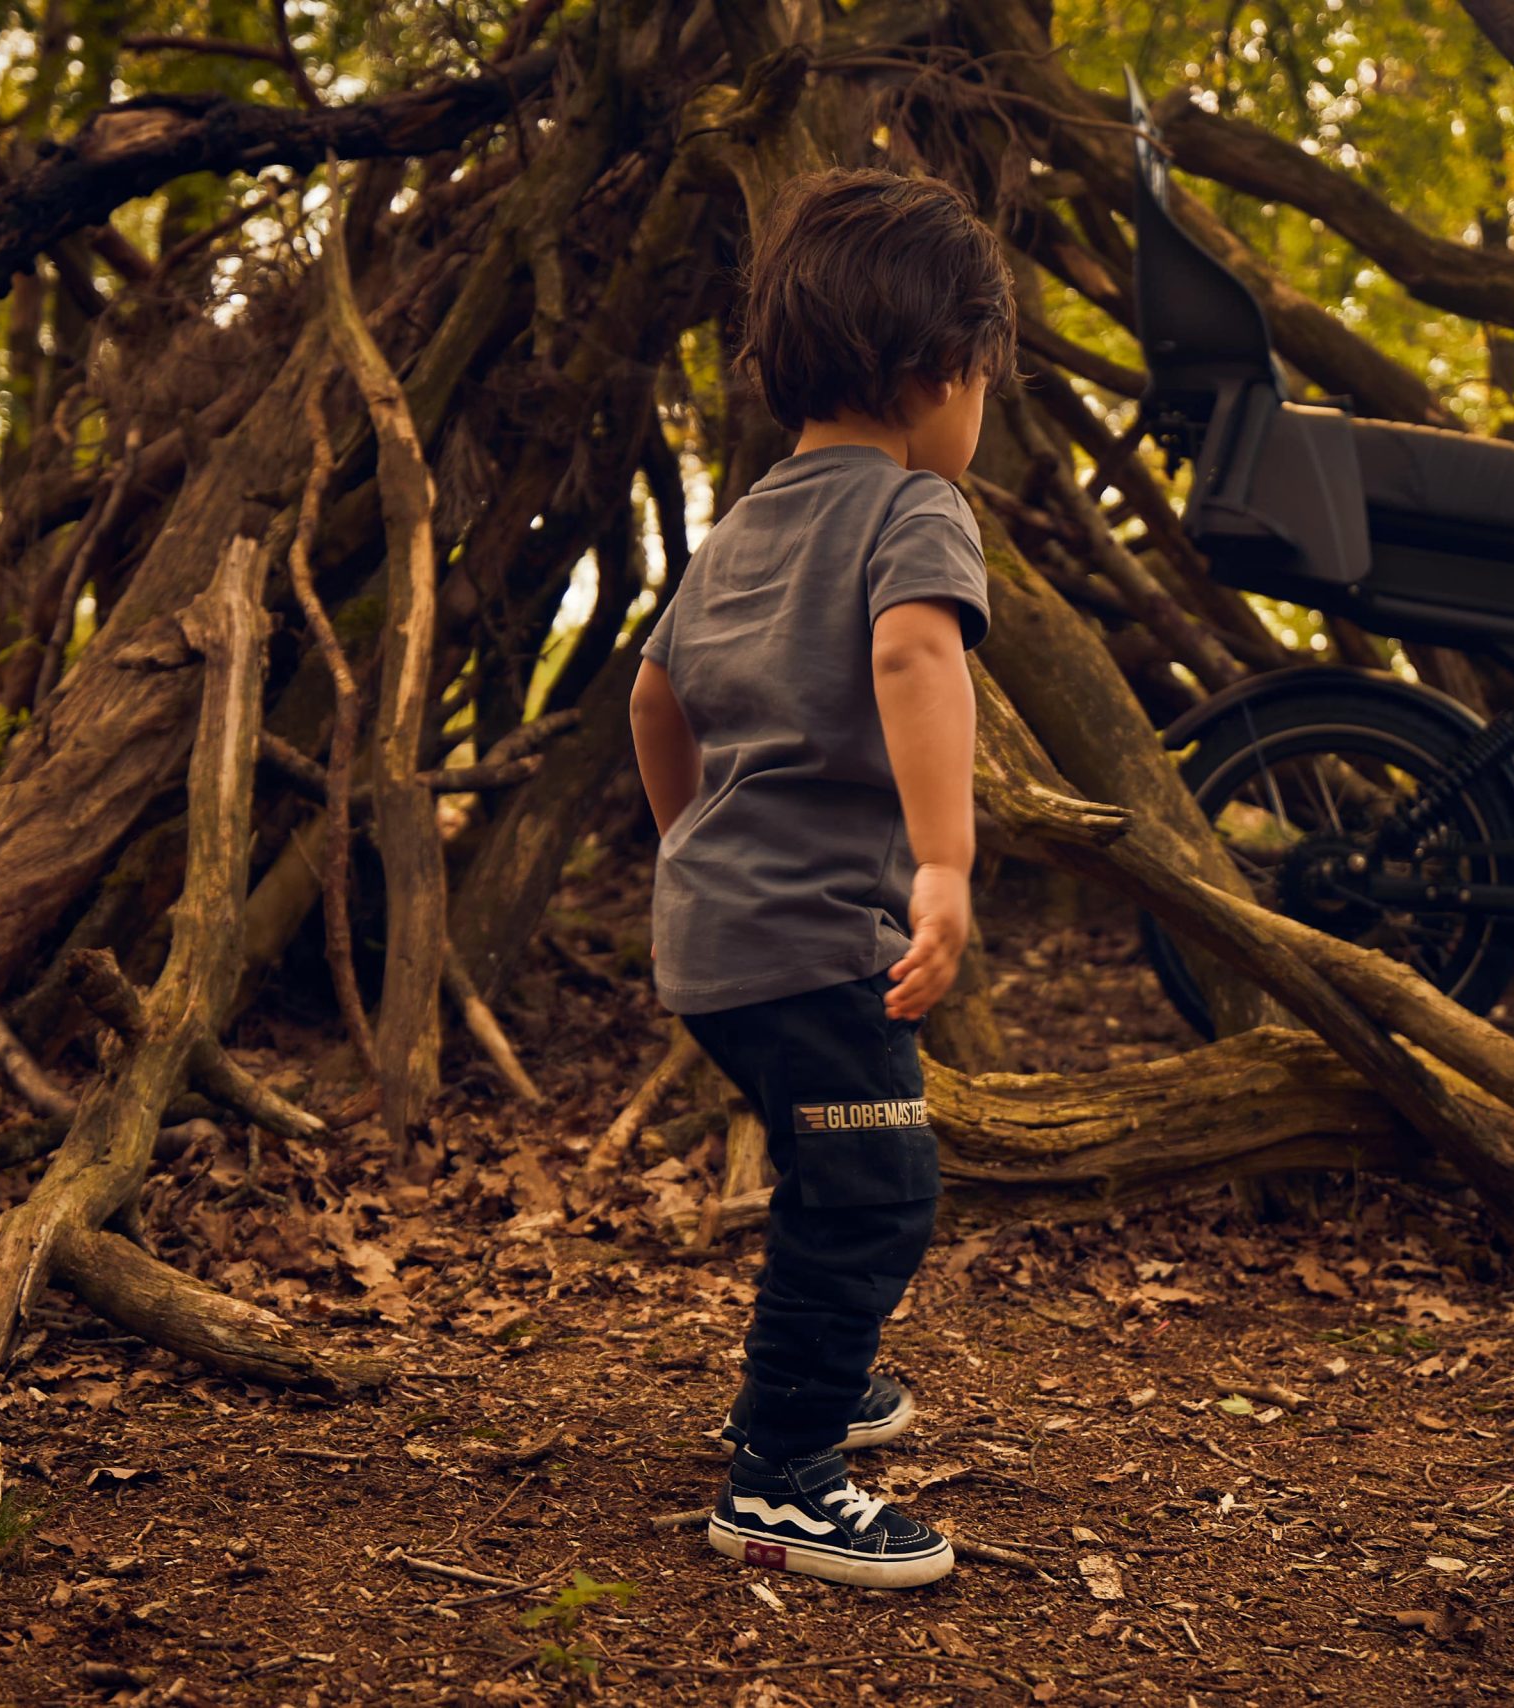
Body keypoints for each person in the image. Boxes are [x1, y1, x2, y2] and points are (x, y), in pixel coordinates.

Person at [628, 167, 1014, 1589]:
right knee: (876, 1183)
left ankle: (819, 1360)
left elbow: (655, 700)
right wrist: (943, 862)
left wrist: (688, 847)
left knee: (824, 1152)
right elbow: (916, 656)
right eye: (985, 379)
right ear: (941, 370)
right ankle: (782, 1473)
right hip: (815, 943)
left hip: (717, 944)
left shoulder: (746, 525)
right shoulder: (912, 511)